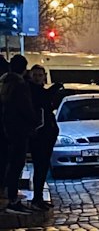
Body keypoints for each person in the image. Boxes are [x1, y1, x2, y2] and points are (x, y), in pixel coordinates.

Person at [0, 55, 37, 210]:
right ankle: (13, 198)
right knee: (17, 163)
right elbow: (25, 107)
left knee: (11, 163)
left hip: (8, 128)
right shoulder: (19, 85)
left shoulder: (5, 82)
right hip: (18, 129)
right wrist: (34, 121)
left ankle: (10, 195)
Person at [27, 64, 59, 212]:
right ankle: (36, 199)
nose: (38, 78)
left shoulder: (39, 90)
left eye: (40, 75)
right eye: (35, 75)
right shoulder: (30, 91)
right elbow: (42, 102)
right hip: (39, 135)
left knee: (43, 167)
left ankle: (38, 198)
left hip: (47, 133)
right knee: (40, 166)